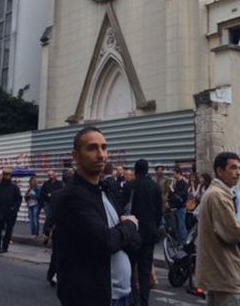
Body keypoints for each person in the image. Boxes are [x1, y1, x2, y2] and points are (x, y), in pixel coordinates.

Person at [54, 127, 139, 306]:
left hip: (123, 295)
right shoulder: (71, 196)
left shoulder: (105, 191)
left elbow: (131, 241)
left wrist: (125, 232)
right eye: (92, 148)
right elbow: (106, 241)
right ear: (76, 155)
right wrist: (130, 225)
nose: (101, 155)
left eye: (104, 147)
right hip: (93, 297)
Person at [196, 152, 240, 306]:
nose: (238, 172)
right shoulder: (218, 196)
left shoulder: (227, 194)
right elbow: (235, 231)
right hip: (225, 273)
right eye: (233, 168)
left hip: (220, 274)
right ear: (220, 171)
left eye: (239, 168)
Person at [122, 159, 163, 306]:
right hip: (150, 233)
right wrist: (154, 226)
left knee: (131, 268)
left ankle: (133, 299)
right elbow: (160, 211)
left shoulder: (130, 186)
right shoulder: (155, 187)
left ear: (135, 170)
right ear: (147, 170)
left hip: (133, 233)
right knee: (145, 270)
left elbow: (122, 207)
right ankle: (144, 301)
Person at [0, 167, 22, 254]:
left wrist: (15, 209)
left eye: (8, 175)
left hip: (10, 213)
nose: (7, 177)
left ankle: (4, 247)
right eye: (5, 175)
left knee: (8, 231)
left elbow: (19, 199)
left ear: (10, 176)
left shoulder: (14, 187)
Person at [40, 170, 63, 242]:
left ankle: (50, 235)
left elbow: (61, 192)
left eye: (51, 175)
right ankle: (46, 235)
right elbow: (42, 193)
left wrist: (52, 195)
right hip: (48, 204)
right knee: (49, 219)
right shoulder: (46, 184)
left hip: (57, 204)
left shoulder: (59, 183)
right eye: (49, 175)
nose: (50, 176)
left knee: (53, 220)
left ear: (55, 175)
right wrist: (43, 203)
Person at [170, 167, 188, 244]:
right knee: (176, 226)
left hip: (181, 207)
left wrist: (173, 190)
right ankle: (179, 241)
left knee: (181, 225)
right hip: (175, 206)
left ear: (178, 173)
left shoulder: (183, 183)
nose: (173, 175)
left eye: (174, 173)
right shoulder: (176, 182)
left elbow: (182, 195)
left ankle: (184, 242)